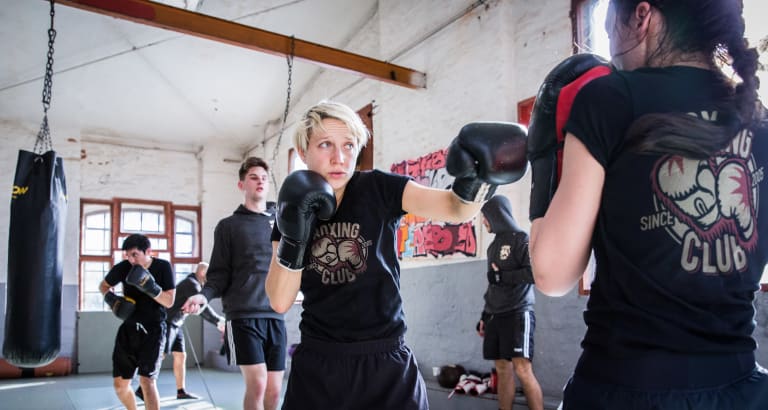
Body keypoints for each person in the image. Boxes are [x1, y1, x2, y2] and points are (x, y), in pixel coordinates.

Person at [527, 1, 768, 409]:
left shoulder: (608, 98)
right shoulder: (759, 120)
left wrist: (543, 160)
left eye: (608, 26)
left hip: (627, 387)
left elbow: (553, 275)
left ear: (641, 16)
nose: (610, 45)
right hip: (742, 388)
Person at [265, 100, 528, 409]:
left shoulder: (378, 188)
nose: (339, 157)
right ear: (304, 152)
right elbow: (279, 300)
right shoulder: (292, 207)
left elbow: (455, 209)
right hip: (320, 364)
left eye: (349, 146)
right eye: (326, 144)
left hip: (385, 360)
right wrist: (295, 238)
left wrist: (481, 181)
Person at [182, 156, 285, 410]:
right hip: (242, 317)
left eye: (263, 178)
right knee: (258, 385)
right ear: (242, 185)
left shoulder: (281, 225)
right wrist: (203, 296)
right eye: (253, 177)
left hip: (275, 315)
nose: (260, 182)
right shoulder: (228, 226)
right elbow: (218, 275)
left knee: (274, 391)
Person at [476, 195, 543, 410]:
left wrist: (503, 277)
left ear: (496, 215)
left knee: (522, 370)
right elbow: (493, 284)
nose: (484, 221)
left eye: (485, 217)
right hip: (496, 314)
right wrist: (485, 316)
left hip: (517, 313)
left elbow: (534, 274)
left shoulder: (521, 239)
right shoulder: (493, 247)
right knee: (502, 368)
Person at [99, 233, 176, 410]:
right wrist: (112, 300)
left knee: (147, 381)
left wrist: (151, 287)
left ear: (148, 251)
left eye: (135, 254)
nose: (131, 260)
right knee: (120, 386)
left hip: (153, 330)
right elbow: (103, 286)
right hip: (129, 330)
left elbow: (169, 301)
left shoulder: (163, 267)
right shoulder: (124, 268)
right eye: (128, 255)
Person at [135, 262, 225, 401]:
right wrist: (219, 322)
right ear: (202, 274)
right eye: (209, 275)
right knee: (161, 354)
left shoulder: (193, 283)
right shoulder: (192, 284)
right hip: (168, 322)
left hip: (177, 323)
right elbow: (202, 309)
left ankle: (181, 391)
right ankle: (143, 388)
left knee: (181, 356)